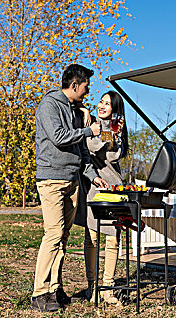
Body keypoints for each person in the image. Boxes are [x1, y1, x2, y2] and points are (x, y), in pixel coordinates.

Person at [32, 64, 109, 312]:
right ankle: (39, 293)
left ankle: (55, 289)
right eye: (86, 85)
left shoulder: (76, 109)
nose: (88, 90)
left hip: (72, 179)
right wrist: (89, 129)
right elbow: (59, 137)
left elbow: (82, 150)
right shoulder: (49, 105)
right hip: (52, 179)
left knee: (63, 237)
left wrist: (92, 176)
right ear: (75, 85)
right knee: (53, 235)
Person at [74, 91, 128, 304]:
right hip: (92, 186)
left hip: (112, 185)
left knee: (113, 238)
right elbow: (91, 147)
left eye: (108, 104)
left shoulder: (114, 129)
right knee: (92, 237)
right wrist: (86, 111)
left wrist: (116, 135)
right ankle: (93, 286)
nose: (102, 106)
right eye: (101, 102)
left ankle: (108, 286)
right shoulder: (92, 125)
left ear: (115, 109)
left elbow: (114, 154)